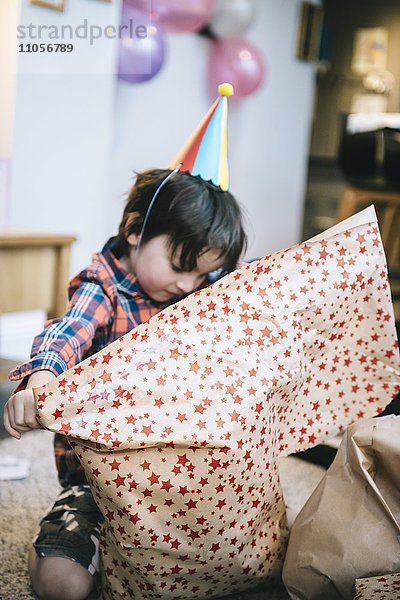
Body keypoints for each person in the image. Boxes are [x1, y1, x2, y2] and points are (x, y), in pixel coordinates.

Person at [3, 85, 247, 600]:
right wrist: (44, 376)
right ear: (135, 231)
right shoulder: (106, 284)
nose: (188, 286)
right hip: (99, 485)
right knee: (61, 585)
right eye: (181, 267)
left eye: (203, 274)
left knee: (242, 554)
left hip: (179, 480)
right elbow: (70, 328)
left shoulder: (199, 294)